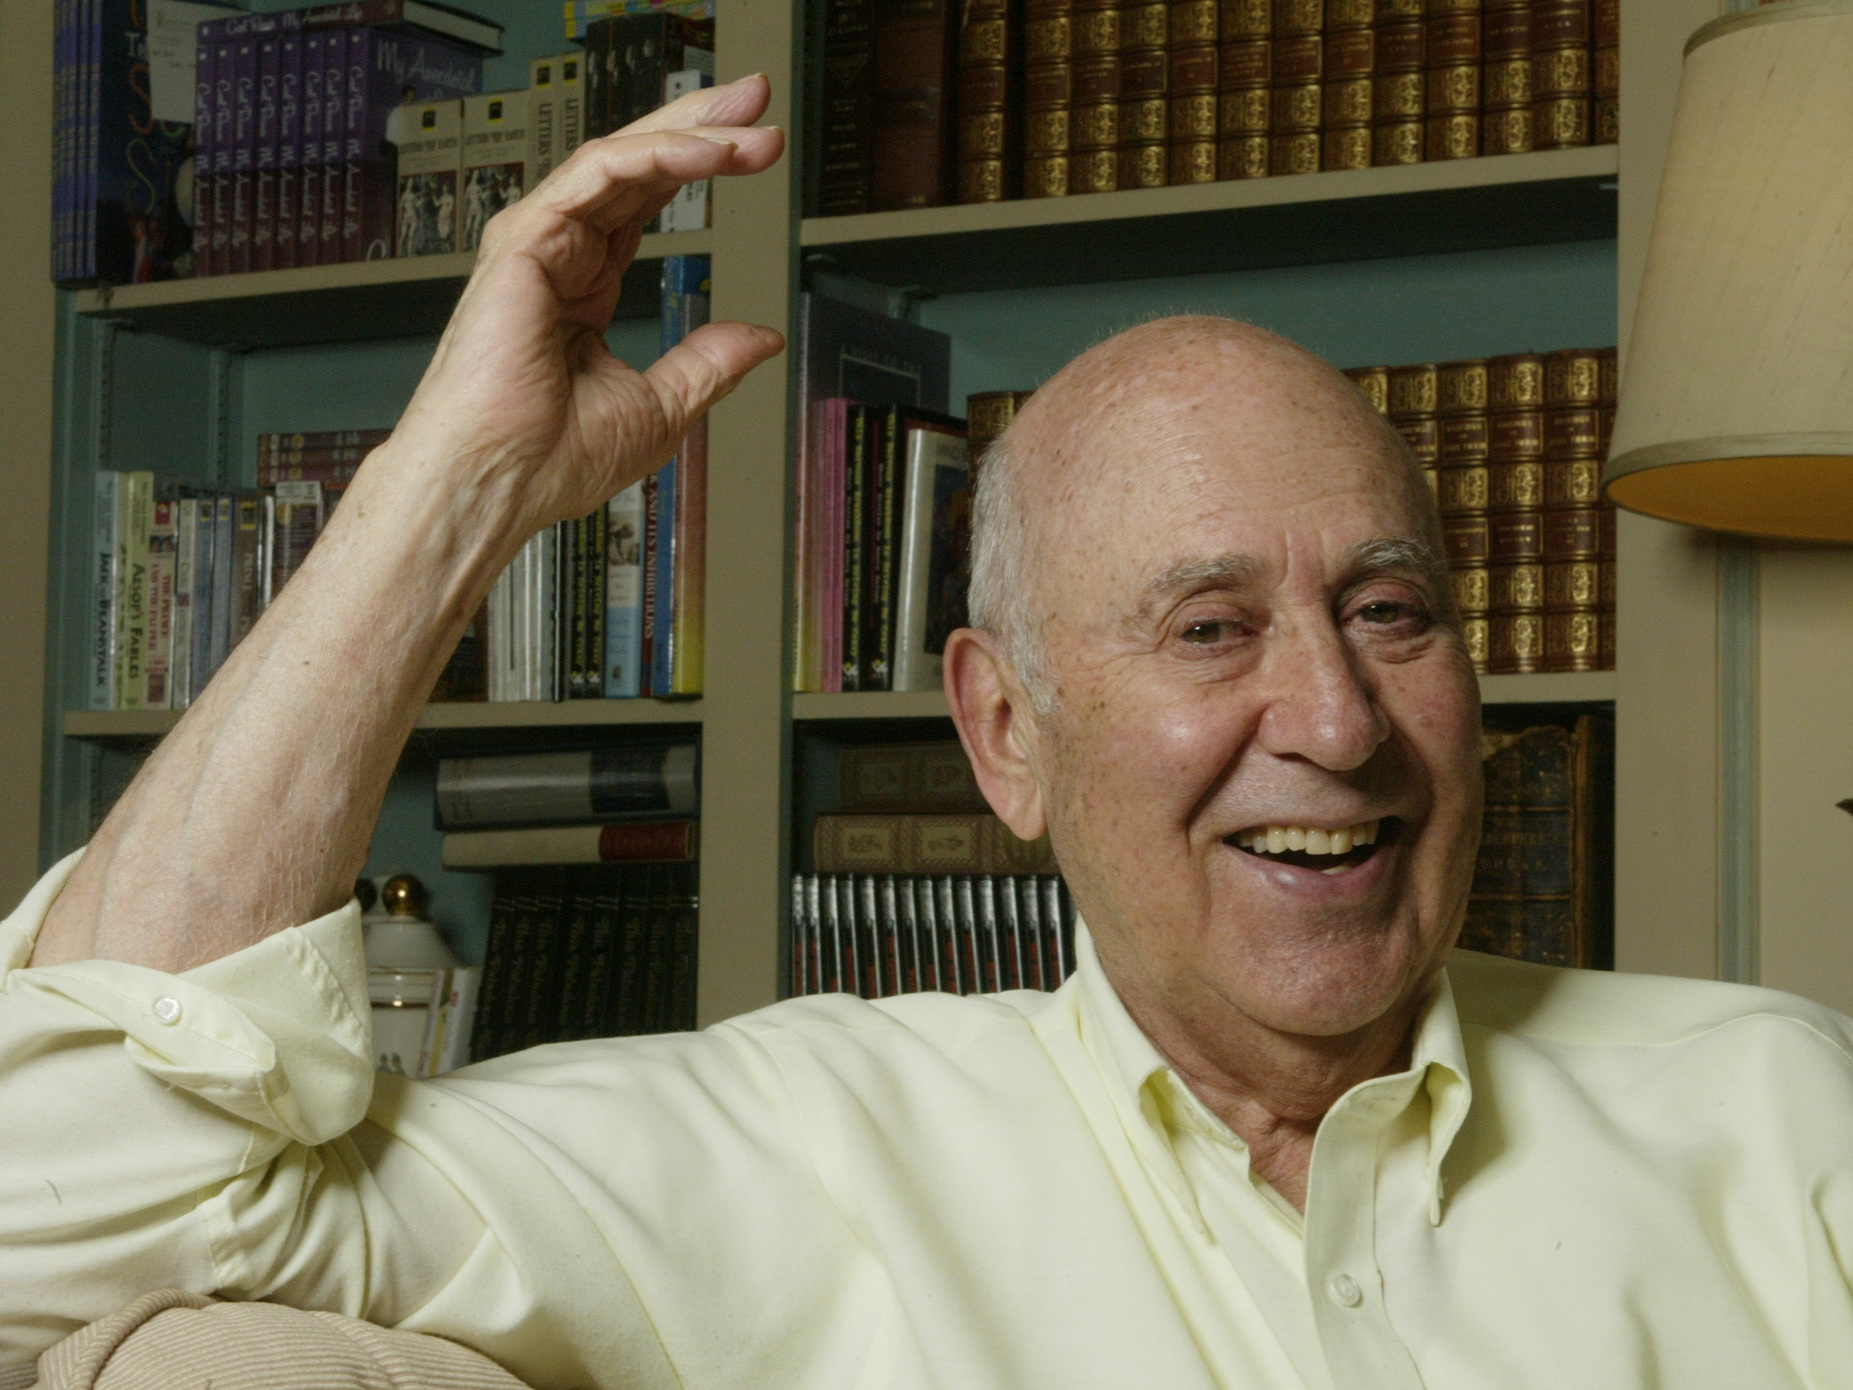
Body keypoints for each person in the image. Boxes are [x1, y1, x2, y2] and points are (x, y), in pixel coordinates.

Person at [5, 73, 1853, 1390]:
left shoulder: (1778, 1114)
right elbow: (49, 1207)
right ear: (1002, 733)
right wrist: (448, 495)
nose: (1334, 717)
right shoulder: (794, 1153)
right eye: (1210, 628)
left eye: (1390, 612)